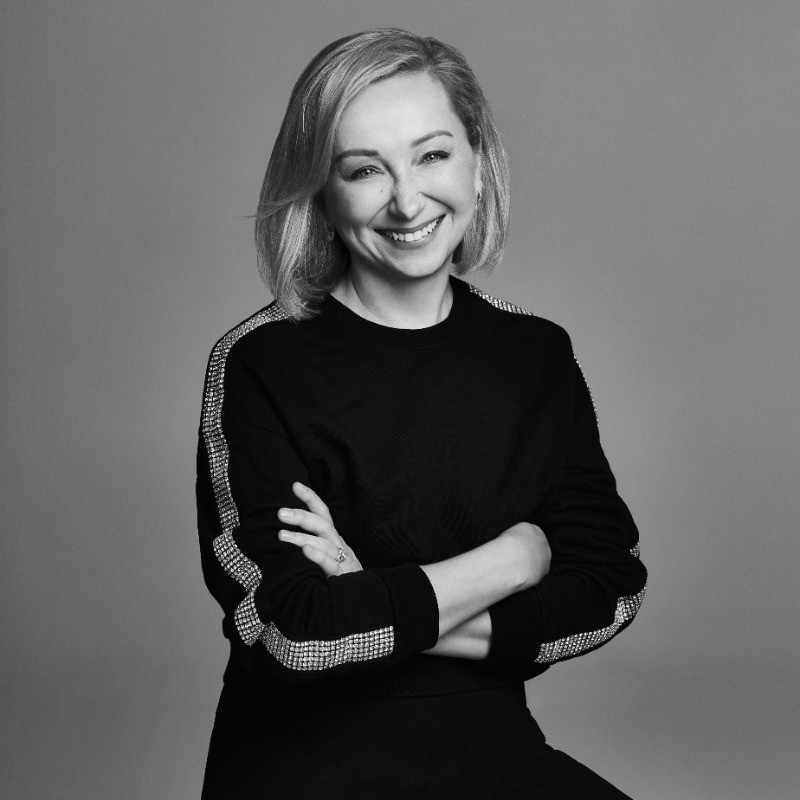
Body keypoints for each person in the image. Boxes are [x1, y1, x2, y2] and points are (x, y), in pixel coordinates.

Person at [196, 28, 647, 799]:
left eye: (432, 155)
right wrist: (512, 561)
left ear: (478, 161)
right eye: (365, 169)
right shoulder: (260, 363)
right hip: (309, 776)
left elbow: (610, 587)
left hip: (496, 762)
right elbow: (290, 630)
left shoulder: (534, 355)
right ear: (320, 190)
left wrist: (374, 592)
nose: (407, 201)